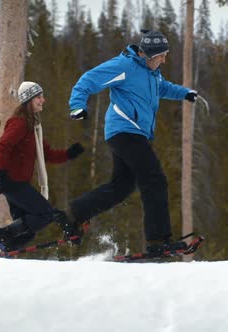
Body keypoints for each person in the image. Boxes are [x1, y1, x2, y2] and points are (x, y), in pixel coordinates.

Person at [67, 30, 198, 254]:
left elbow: (162, 88)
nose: (164, 60)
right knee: (154, 179)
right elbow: (89, 79)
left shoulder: (152, 72)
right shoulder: (124, 66)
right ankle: (158, 241)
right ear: (148, 55)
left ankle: (76, 212)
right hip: (125, 130)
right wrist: (78, 105)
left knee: (122, 186)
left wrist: (184, 93)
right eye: (162, 56)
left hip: (133, 133)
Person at [0, 81, 85, 251]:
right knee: (46, 214)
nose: (43, 100)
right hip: (12, 182)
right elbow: (2, 146)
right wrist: (2, 173)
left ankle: (6, 251)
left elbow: (47, 154)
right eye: (39, 97)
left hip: (17, 183)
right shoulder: (20, 123)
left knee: (27, 230)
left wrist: (69, 154)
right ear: (29, 100)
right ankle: (1, 235)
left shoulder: (32, 127)